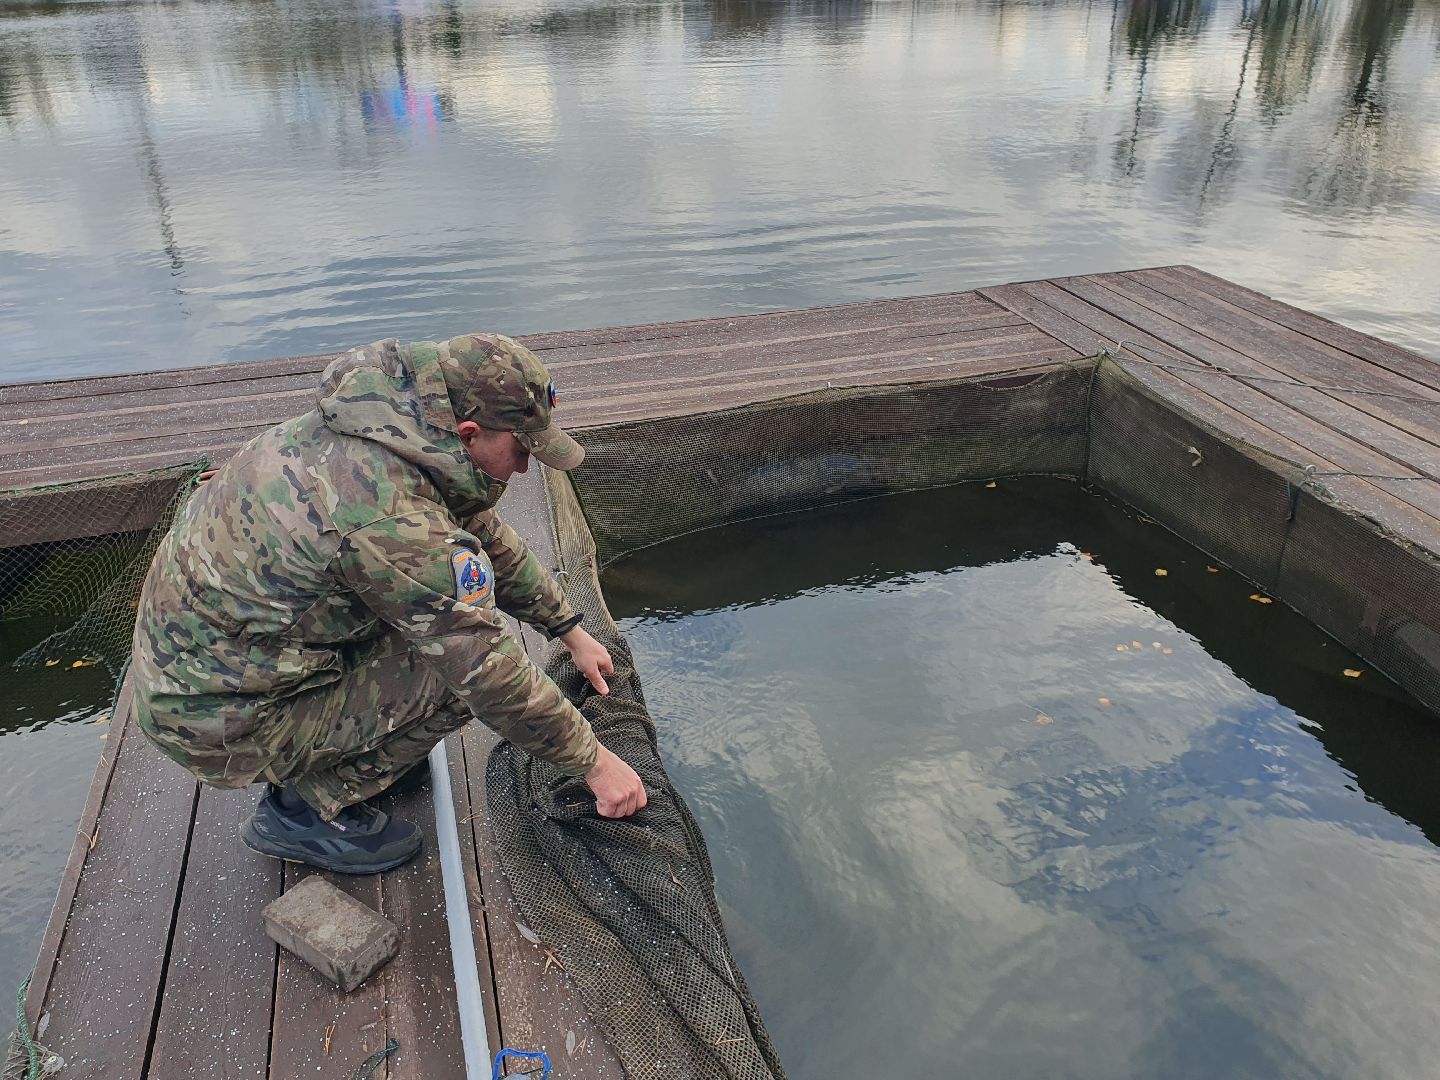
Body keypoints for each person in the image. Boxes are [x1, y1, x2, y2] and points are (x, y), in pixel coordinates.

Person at [130, 333, 647, 874]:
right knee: (455, 675)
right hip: (214, 716)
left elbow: (480, 536)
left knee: (436, 627)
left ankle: (351, 751)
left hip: (221, 663)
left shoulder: (394, 429)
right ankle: (301, 810)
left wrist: (566, 627)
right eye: (520, 451)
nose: (523, 469)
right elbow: (484, 666)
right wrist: (594, 763)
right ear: (470, 433)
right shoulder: (384, 510)